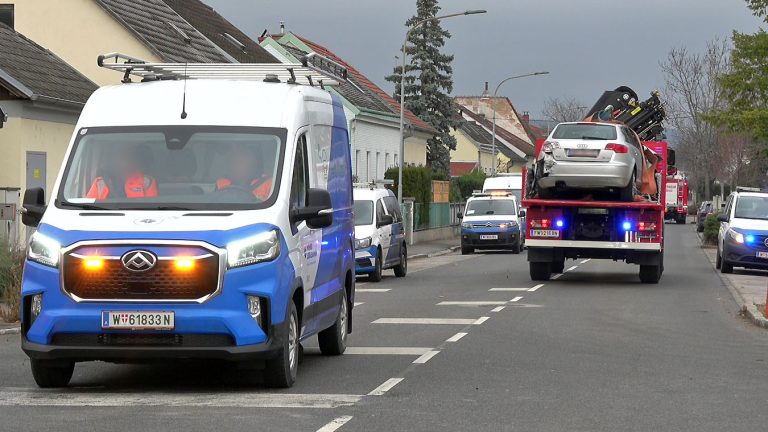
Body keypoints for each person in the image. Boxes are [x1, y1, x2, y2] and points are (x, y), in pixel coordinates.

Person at [86, 145, 157, 199]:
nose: (123, 161)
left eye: (127, 156)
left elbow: (152, 210)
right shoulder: (100, 183)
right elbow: (88, 207)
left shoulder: (147, 182)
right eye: (119, 157)